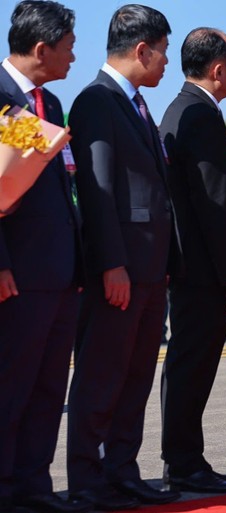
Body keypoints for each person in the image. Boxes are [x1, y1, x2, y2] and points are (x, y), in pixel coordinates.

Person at [66, 4, 180, 510]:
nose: (165, 64)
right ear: (141, 50)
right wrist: (110, 263)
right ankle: (88, 481)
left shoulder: (134, 103)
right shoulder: (96, 101)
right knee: (101, 377)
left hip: (152, 270)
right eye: (163, 54)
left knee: (134, 376)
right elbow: (97, 189)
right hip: (121, 269)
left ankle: (123, 470)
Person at [0, 3, 86, 513]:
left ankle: (34, 486)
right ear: (41, 49)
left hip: (58, 272)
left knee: (48, 387)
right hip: (16, 275)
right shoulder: (1, 99)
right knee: (9, 388)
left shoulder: (49, 103)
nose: (74, 55)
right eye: (69, 46)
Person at [158, 27, 226, 494]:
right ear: (217, 70)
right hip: (204, 270)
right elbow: (214, 203)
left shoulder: (177, 111)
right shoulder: (200, 115)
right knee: (192, 365)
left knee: (185, 363)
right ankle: (185, 461)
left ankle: (183, 457)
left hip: (188, 264)